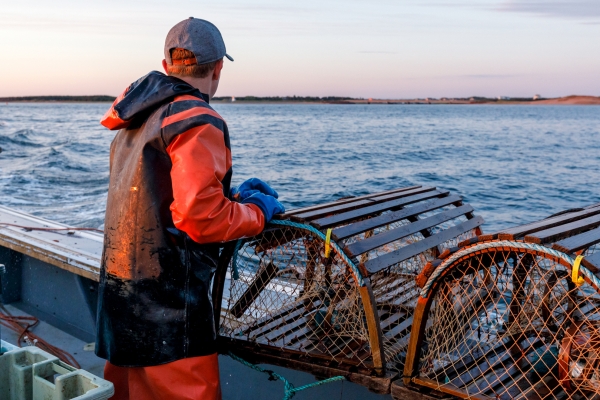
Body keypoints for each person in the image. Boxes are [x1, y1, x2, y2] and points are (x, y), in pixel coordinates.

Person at [95, 17, 285, 400]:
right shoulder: (198, 119)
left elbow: (160, 197)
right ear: (218, 69)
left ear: (168, 67)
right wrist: (258, 212)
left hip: (120, 299)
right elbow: (201, 219)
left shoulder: (134, 119)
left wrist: (231, 198)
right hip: (170, 311)